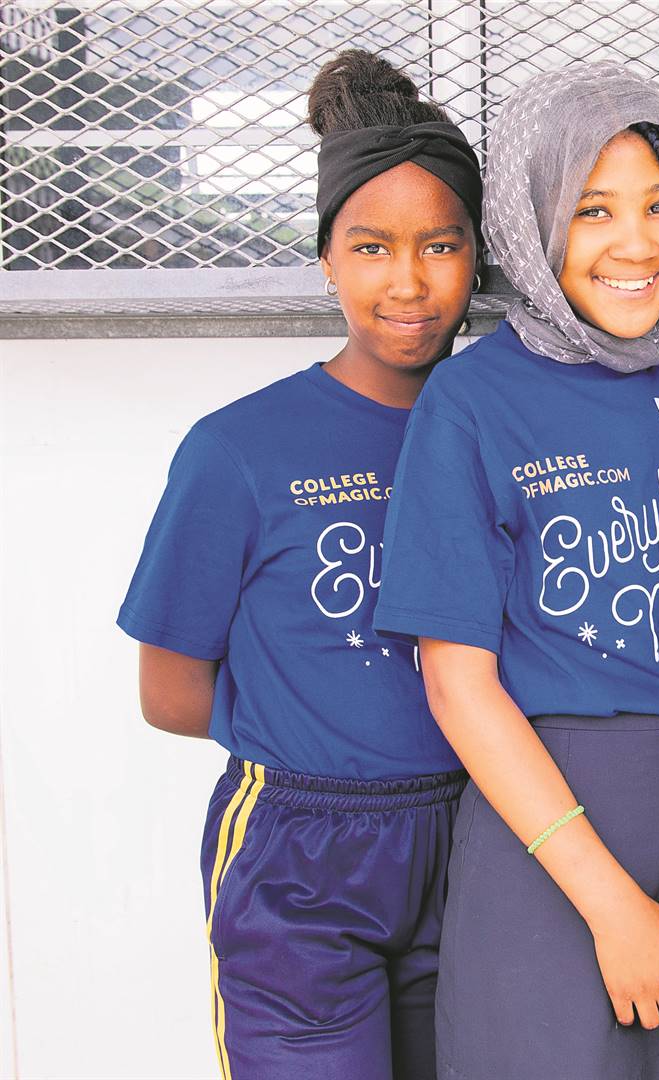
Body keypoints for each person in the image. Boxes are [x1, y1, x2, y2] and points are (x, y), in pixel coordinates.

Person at [372, 62, 659, 1080]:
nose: (637, 244)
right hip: (548, 845)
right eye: (592, 210)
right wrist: (610, 904)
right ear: (532, 222)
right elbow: (457, 685)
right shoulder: (470, 403)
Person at [117, 49, 481, 1079]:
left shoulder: (501, 433)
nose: (408, 282)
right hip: (300, 857)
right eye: (370, 247)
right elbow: (170, 692)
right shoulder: (240, 450)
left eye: (440, 245)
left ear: (478, 257)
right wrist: (324, 730)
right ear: (326, 257)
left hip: (476, 842)